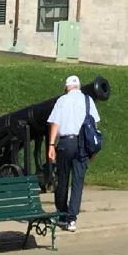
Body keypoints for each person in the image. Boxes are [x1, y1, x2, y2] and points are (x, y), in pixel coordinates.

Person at [46, 74, 101, 232]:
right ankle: (72, 219)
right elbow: (94, 125)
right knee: (78, 182)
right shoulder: (88, 100)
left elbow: (55, 123)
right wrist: (93, 149)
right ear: (79, 86)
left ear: (67, 87)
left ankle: (62, 214)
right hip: (83, 144)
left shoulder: (62, 101)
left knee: (62, 179)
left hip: (65, 143)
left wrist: (51, 145)